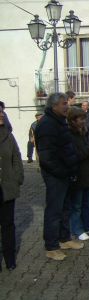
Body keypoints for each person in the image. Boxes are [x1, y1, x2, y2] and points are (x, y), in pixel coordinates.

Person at [35, 93, 83, 261]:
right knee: (54, 211)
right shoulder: (47, 125)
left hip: (65, 172)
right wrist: (62, 172)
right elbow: (47, 157)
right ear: (54, 105)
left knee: (65, 208)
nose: (67, 106)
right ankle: (51, 246)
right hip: (56, 175)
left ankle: (64, 239)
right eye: (63, 104)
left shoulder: (59, 122)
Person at [67, 107, 89, 241]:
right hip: (78, 174)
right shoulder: (70, 135)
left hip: (86, 173)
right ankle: (77, 229)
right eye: (81, 119)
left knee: (86, 202)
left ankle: (87, 226)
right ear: (73, 120)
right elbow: (74, 155)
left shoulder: (82, 132)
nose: (83, 121)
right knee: (77, 205)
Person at [0, 105, 23, 271]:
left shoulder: (8, 136)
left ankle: (10, 258)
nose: (1, 115)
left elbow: (16, 157)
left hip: (7, 187)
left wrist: (17, 178)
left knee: (8, 224)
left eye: (1, 112)